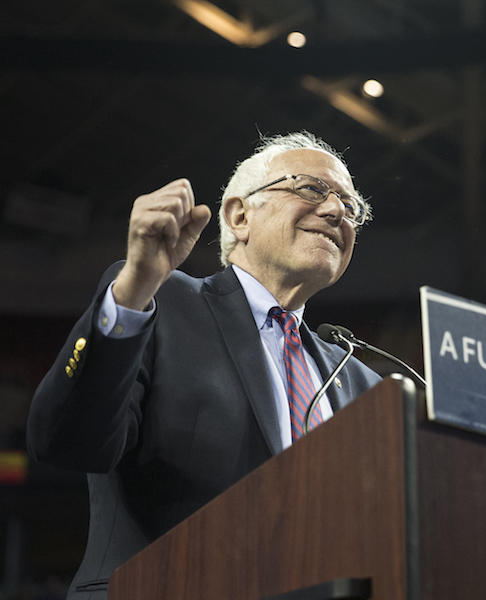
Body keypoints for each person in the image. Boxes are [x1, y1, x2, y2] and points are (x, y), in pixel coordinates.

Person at [26, 132, 383, 599]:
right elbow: (69, 442)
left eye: (350, 206)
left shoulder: (362, 380)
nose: (337, 212)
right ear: (239, 216)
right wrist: (135, 290)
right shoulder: (158, 303)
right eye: (311, 189)